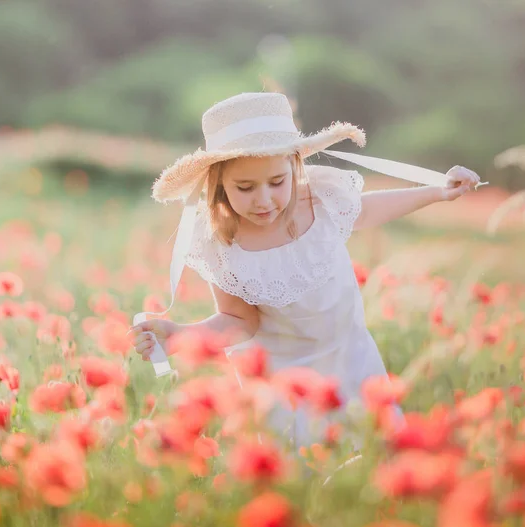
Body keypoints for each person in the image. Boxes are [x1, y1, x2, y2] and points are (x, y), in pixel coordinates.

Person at [129, 91, 482, 449]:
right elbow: (239, 320)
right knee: (306, 467)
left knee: (373, 451)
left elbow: (371, 209)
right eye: (245, 188)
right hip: (282, 380)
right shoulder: (223, 242)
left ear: (294, 166)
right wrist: (181, 336)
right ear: (219, 185)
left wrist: (439, 191)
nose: (264, 200)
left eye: (277, 182)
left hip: (351, 357)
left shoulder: (321, 201)